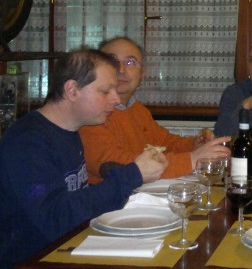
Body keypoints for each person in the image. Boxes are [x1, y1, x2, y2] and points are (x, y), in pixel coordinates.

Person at [0, 49, 169, 269]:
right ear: (72, 90)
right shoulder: (28, 142)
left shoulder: (69, 131)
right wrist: (132, 174)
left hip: (64, 249)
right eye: (105, 91)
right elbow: (56, 219)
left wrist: (128, 180)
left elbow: (75, 200)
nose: (116, 99)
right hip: (27, 262)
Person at [79, 37, 231, 184]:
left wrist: (194, 144)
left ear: (142, 73)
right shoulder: (91, 114)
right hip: (109, 197)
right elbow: (118, 164)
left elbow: (164, 142)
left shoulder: (137, 110)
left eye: (130, 62)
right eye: (113, 61)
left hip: (138, 192)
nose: (121, 69)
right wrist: (192, 159)